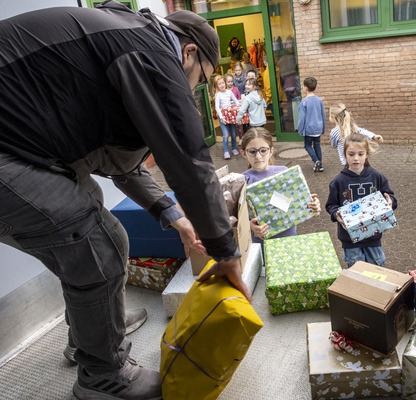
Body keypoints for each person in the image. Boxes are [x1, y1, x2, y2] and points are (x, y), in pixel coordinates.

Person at [0, 4, 250, 399]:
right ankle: (103, 378)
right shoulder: (150, 51)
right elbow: (187, 156)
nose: (192, 91)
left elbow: (121, 165)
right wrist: (226, 252)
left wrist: (178, 219)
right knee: (98, 243)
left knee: (89, 225)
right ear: (188, 52)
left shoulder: (125, 41)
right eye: (200, 80)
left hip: (20, 147)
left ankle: (92, 335)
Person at [325, 133, 397, 268]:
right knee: (356, 270)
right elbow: (331, 205)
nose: (356, 158)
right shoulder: (338, 181)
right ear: (345, 155)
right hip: (349, 238)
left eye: (360, 154)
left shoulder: (377, 177)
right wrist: (336, 214)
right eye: (351, 154)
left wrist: (390, 202)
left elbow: (390, 197)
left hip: (373, 236)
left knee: (377, 268)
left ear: (366, 155)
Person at [239, 128, 320, 244]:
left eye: (263, 150)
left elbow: (294, 202)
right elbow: (238, 219)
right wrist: (251, 227)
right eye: (252, 151)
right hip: (261, 243)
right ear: (243, 153)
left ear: (271, 151)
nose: (258, 156)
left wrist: (312, 205)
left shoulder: (284, 173)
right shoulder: (242, 181)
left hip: (288, 239)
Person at [298, 77, 326, 173]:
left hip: (309, 129)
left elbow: (302, 118)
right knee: (317, 145)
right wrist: (323, 128)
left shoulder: (304, 102)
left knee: (307, 145)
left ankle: (316, 161)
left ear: (305, 88)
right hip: (318, 128)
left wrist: (300, 129)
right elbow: (323, 114)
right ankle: (320, 166)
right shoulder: (319, 100)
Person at [213, 74, 240, 159]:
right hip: (223, 118)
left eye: (222, 83)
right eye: (219, 84)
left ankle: (234, 148)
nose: (222, 85)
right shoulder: (218, 95)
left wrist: (238, 108)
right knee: (225, 134)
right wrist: (221, 117)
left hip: (231, 116)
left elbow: (236, 101)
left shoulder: (229, 92)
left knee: (233, 133)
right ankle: (226, 151)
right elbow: (217, 107)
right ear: (217, 86)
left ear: (225, 83)